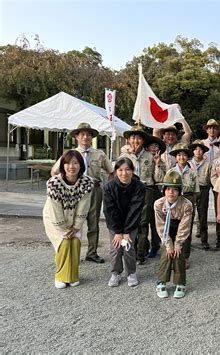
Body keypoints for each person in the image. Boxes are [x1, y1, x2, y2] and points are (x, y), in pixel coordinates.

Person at [50, 122, 114, 264]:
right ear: (77, 137)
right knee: (73, 222)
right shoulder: (70, 155)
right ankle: (73, 252)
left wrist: (107, 187)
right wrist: (63, 187)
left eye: (88, 134)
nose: (85, 137)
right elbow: (54, 171)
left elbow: (111, 172)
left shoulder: (99, 154)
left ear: (92, 137)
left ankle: (92, 253)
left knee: (93, 223)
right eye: (82, 134)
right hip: (75, 190)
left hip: (94, 190)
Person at [43, 150, 94, 288]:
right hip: (54, 220)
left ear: (81, 165)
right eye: (67, 163)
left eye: (75, 163)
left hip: (75, 219)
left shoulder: (87, 182)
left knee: (76, 242)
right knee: (64, 243)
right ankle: (60, 276)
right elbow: (55, 209)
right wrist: (63, 229)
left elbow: (84, 206)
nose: (71, 167)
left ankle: (73, 275)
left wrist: (76, 226)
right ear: (62, 165)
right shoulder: (54, 183)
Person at [119, 125, 161, 265]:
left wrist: (158, 164)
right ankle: (131, 249)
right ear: (129, 140)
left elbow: (157, 178)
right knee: (130, 221)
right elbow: (119, 174)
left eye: (138, 138)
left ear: (143, 140)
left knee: (143, 222)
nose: (135, 140)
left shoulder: (150, 156)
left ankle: (141, 253)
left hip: (146, 189)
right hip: (128, 190)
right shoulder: (124, 156)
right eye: (132, 137)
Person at [102, 158, 145, 287]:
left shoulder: (139, 186)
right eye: (120, 170)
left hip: (131, 222)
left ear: (133, 171)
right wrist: (118, 231)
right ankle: (116, 272)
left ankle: (131, 272)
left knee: (128, 247)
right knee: (115, 248)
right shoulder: (109, 186)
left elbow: (135, 209)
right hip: (114, 223)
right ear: (115, 171)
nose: (124, 173)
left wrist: (127, 231)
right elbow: (109, 210)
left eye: (127, 169)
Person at [154, 170, 194, 299]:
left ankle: (180, 282)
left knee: (178, 253)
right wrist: (168, 244)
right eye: (168, 189)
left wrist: (178, 244)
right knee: (167, 253)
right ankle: (161, 281)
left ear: (180, 192)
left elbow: (185, 226)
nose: (171, 192)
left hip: (180, 229)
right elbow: (160, 226)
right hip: (166, 229)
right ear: (164, 190)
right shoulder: (158, 204)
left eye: (175, 190)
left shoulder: (187, 205)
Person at [168, 143, 199, 268]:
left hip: (188, 198)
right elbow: (165, 189)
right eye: (179, 155)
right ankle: (172, 254)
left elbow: (196, 190)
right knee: (172, 227)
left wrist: (193, 202)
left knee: (186, 229)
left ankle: (185, 256)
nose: (181, 157)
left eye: (184, 155)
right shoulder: (171, 171)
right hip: (174, 201)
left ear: (187, 157)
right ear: (176, 157)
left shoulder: (192, 172)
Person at [144, 135, 167, 259]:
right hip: (144, 190)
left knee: (155, 220)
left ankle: (155, 245)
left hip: (156, 191)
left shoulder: (162, 163)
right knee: (143, 220)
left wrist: (158, 164)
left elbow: (160, 179)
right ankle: (143, 245)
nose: (154, 148)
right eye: (151, 146)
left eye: (156, 146)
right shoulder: (142, 159)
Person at [189, 139, 212, 249]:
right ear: (193, 151)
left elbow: (210, 178)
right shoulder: (188, 163)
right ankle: (187, 240)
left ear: (203, 152)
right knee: (189, 214)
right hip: (191, 190)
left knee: (203, 214)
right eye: (196, 149)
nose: (198, 151)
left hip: (203, 189)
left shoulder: (208, 164)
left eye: (200, 149)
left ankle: (204, 239)